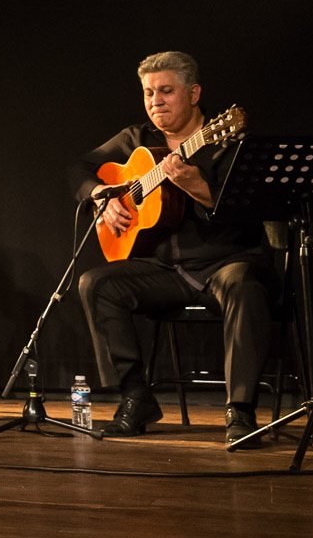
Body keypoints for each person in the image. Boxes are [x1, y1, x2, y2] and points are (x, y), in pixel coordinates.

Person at [69, 50, 272, 448]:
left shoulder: (225, 141)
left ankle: (240, 411)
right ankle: (136, 397)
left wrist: (199, 188)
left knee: (245, 285)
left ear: (193, 94)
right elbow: (79, 167)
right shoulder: (136, 139)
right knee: (96, 284)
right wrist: (100, 196)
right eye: (148, 93)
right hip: (166, 269)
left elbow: (250, 212)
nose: (155, 101)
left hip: (225, 261)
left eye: (166, 91)